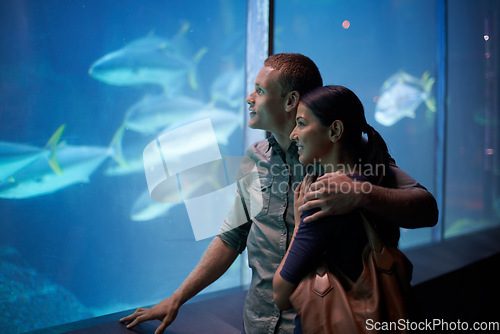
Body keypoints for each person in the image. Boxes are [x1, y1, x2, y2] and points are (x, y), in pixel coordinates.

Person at [120, 54, 438, 334]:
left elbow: (426, 208)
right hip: (257, 324)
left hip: (324, 321)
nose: (249, 98)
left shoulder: (345, 153)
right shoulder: (254, 158)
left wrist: (360, 194)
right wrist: (178, 299)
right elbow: (232, 237)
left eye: (259, 91)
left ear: (289, 100)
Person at [273, 85, 404, 332]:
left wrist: (301, 222)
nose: (293, 134)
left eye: (301, 123)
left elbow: (280, 294)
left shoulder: (326, 200)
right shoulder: (376, 181)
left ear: (334, 130)